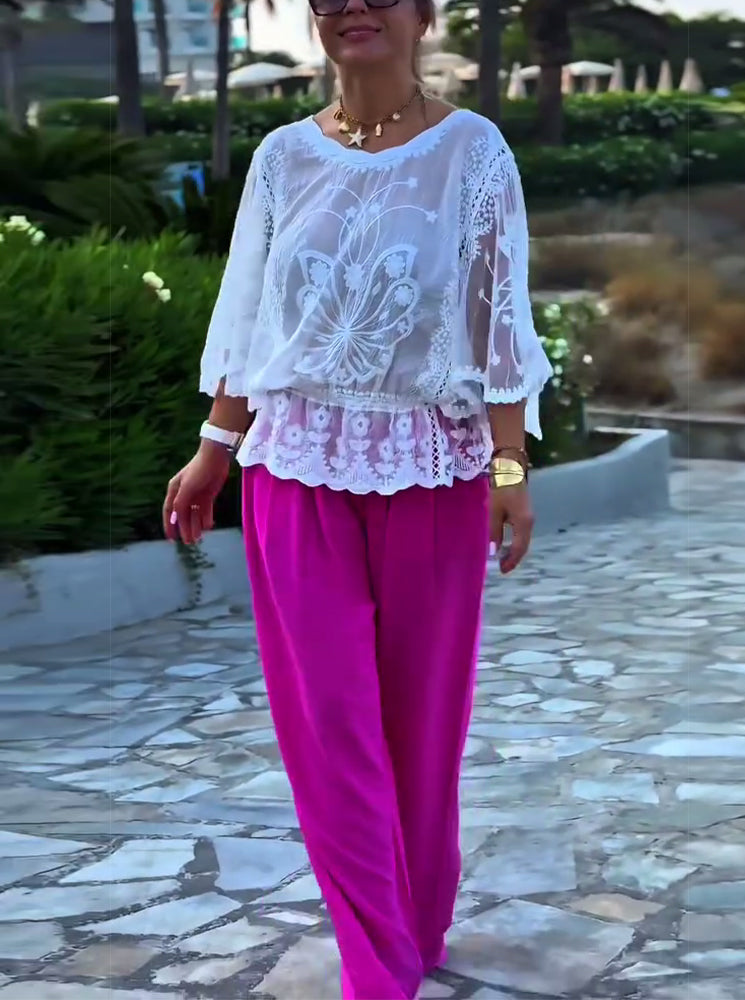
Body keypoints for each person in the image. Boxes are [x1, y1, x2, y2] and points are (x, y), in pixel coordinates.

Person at [162, 0, 553, 995]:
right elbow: (251, 318)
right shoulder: (282, 159)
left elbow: (498, 316)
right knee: (329, 724)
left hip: (433, 467)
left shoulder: (473, 151)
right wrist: (214, 448)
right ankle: (376, 966)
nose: (353, 8)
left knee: (422, 722)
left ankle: (416, 920)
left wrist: (508, 466)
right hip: (294, 466)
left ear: (423, 15)